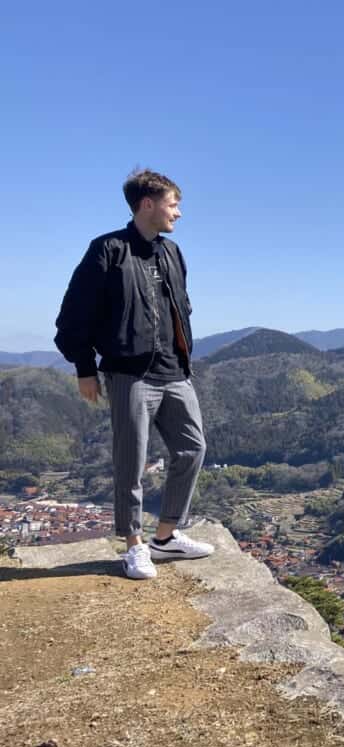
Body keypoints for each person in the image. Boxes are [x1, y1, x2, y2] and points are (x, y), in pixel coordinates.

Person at [55, 169, 214, 579]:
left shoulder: (172, 253)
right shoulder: (108, 250)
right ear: (148, 204)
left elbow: (183, 306)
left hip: (175, 371)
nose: (178, 212)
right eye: (173, 203)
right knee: (132, 461)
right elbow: (73, 316)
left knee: (192, 448)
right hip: (129, 373)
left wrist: (182, 351)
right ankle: (133, 545)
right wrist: (85, 369)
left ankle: (166, 536)